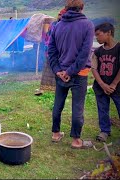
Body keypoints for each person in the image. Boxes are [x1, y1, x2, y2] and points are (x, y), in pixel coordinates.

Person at [48, 0, 95, 149]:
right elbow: (84, 54)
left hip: (61, 72)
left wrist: (58, 71)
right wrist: (70, 72)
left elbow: (52, 52)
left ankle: (55, 134)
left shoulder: (58, 25)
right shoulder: (87, 25)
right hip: (79, 73)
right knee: (77, 108)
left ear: (66, 8)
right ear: (82, 7)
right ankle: (76, 140)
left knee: (58, 104)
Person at [91, 23, 120, 142]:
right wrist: (102, 84)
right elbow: (94, 68)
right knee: (102, 109)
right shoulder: (98, 52)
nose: (97, 38)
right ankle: (104, 131)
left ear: (108, 33)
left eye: (98, 35)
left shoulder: (118, 48)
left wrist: (113, 84)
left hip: (117, 87)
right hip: (101, 86)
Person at [38, 8, 67, 94]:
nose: (59, 16)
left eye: (61, 14)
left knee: (58, 70)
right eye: (59, 14)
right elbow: (48, 35)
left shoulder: (65, 25)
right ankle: (47, 87)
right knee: (49, 68)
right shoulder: (54, 24)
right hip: (51, 50)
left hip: (60, 52)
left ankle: (58, 87)